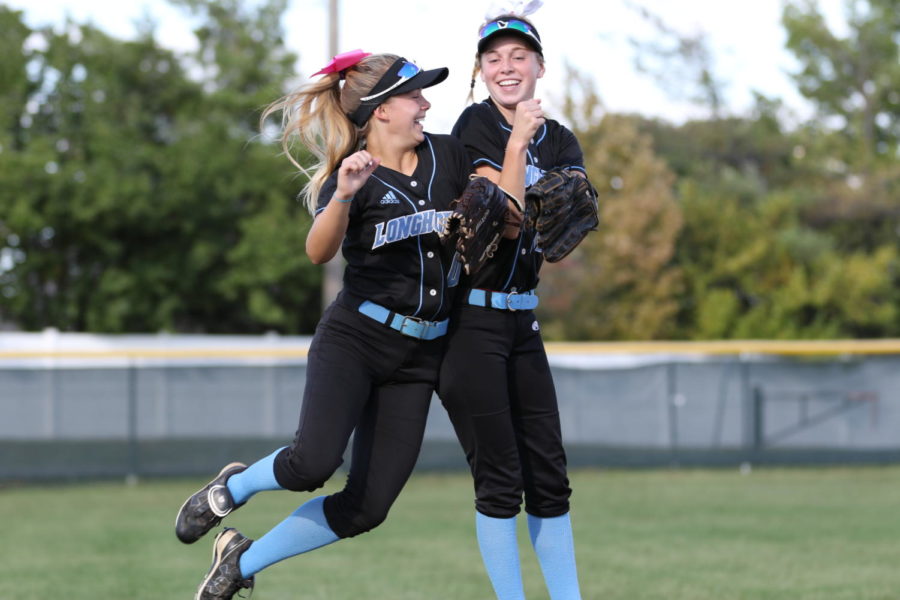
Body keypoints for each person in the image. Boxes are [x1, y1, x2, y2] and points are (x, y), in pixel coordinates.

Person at [175, 50, 471, 600]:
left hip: (419, 357)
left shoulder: (448, 155)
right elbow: (318, 251)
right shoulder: (351, 173)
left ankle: (239, 563)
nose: (425, 103)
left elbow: (491, 190)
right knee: (311, 463)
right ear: (381, 110)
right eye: (414, 95)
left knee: (368, 506)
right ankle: (231, 488)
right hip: (357, 339)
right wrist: (344, 196)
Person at [437, 6, 586, 600]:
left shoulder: (564, 138)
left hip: (523, 318)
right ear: (481, 70)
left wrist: (550, 202)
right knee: (501, 483)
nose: (506, 66)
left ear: (539, 66)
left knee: (550, 478)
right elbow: (507, 216)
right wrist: (519, 143)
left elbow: (558, 238)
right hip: (472, 321)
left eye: (518, 56)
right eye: (494, 58)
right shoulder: (472, 125)